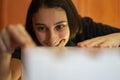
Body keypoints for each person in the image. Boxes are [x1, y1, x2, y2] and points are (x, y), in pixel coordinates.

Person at [0, 0, 120, 80]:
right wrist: (4, 52)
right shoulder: (24, 39)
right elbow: (9, 77)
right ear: (32, 26)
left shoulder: (84, 27)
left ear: (71, 21)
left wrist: (113, 38)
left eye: (60, 26)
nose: (52, 39)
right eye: (41, 28)